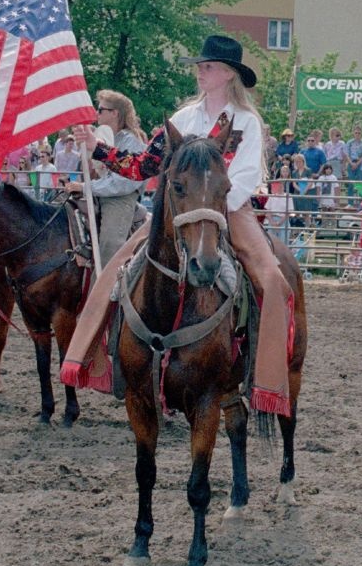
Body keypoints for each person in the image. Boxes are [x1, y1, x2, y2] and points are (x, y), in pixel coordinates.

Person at [84, 34, 291, 412]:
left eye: (208, 66)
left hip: (230, 210)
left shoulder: (247, 122)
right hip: (179, 213)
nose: (200, 71)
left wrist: (209, 208)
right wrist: (96, 148)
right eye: (200, 66)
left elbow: (244, 177)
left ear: (228, 74)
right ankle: (103, 359)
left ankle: (266, 375)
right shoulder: (182, 119)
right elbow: (144, 166)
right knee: (118, 269)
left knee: (273, 279)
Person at [83, 89, 147, 266]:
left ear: (115, 113)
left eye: (101, 109)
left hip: (120, 198)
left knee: (109, 249)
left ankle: (104, 290)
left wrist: (85, 187)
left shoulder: (132, 140)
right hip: (101, 190)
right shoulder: (103, 138)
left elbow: (123, 183)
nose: (97, 113)